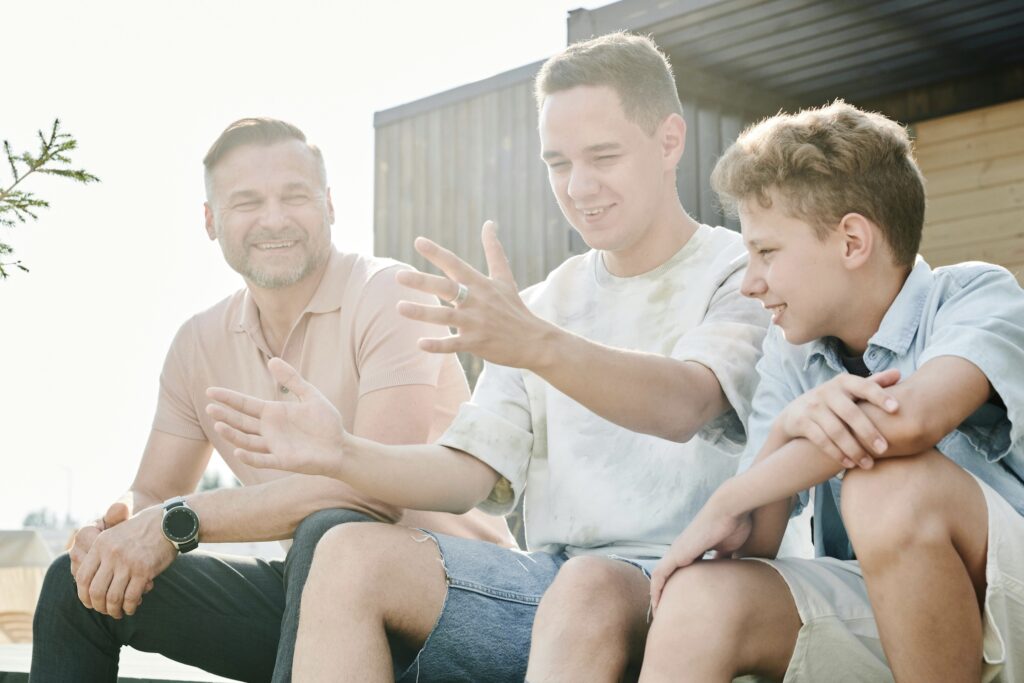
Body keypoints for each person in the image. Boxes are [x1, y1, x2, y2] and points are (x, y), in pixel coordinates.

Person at [207, 33, 771, 682]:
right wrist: (340, 452)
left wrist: (536, 343)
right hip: (548, 585)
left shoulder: (745, 272)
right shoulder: (537, 306)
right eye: (558, 163)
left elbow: (688, 402)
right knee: (346, 552)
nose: (579, 186)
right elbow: (467, 474)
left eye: (603, 156)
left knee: (586, 586)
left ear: (669, 141)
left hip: (689, 587)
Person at [30, 117, 513, 683]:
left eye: (295, 196)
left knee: (332, 529)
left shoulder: (388, 293)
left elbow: (374, 494)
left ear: (330, 205)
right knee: (77, 581)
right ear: (211, 221)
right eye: (246, 202)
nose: (275, 219)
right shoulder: (198, 343)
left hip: (460, 600)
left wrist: (174, 522)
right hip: (318, 606)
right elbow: (155, 492)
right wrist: (118, 529)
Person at [643, 100, 1024, 683]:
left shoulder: (977, 295)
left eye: (766, 251)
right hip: (894, 613)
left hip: (1009, 601)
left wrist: (724, 500)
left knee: (889, 484)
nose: (750, 282)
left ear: (851, 242)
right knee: (703, 596)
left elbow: (907, 420)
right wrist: (784, 429)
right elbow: (757, 539)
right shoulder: (793, 351)